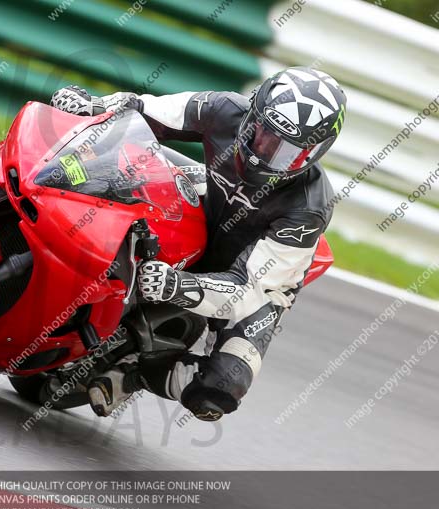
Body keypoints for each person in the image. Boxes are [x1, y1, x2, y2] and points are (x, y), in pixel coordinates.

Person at [50, 67, 347, 421]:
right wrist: (94, 106)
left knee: (221, 389)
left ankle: (135, 374)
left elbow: (247, 290)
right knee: (114, 174)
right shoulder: (223, 108)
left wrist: (178, 285)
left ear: (313, 155)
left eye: (286, 153)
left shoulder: (309, 207)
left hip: (253, 283)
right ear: (251, 112)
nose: (263, 152)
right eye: (261, 132)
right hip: (202, 213)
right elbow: (145, 109)